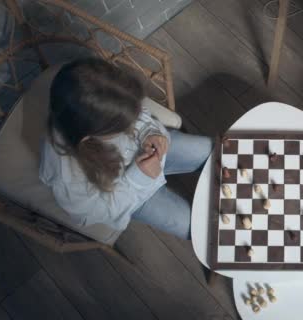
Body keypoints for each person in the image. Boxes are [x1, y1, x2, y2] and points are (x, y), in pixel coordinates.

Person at [39, 58, 212, 239]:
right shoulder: (67, 177)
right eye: (122, 127)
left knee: (219, 152)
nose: (131, 123)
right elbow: (97, 213)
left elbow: (142, 115)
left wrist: (151, 132)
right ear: (91, 136)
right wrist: (138, 178)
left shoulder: (113, 98)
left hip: (147, 153)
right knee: (200, 229)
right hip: (132, 197)